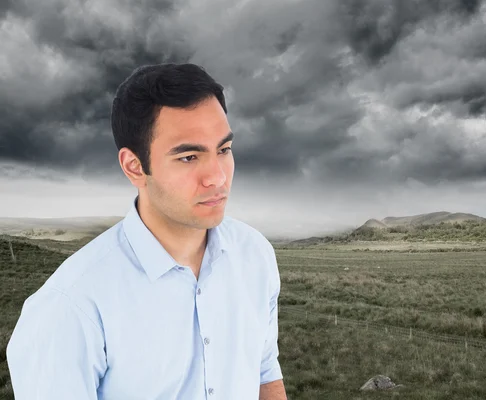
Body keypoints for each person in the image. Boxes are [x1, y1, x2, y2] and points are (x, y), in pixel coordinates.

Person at [7, 63, 287, 399]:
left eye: (223, 150)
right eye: (188, 157)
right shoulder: (70, 307)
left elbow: (264, 370)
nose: (217, 177)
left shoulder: (255, 254)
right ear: (134, 167)